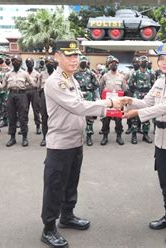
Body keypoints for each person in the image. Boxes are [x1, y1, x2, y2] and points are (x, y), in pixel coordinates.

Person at [40, 40, 122, 248]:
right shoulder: (55, 82)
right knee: (55, 186)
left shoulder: (71, 79)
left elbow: (80, 106)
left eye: (76, 55)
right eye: (68, 55)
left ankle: (67, 216)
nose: (74, 59)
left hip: (75, 141)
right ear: (57, 57)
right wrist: (108, 104)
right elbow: (77, 106)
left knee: (70, 182)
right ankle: (49, 228)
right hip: (60, 143)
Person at [121, 43, 166, 245]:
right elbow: (147, 102)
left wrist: (138, 113)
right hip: (161, 140)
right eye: (161, 58)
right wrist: (129, 100)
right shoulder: (160, 81)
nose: (164, 62)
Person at [3, 55, 32, 147]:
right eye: (14, 61)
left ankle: (24, 138)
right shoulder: (8, 74)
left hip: (22, 95)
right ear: (12, 62)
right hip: (11, 95)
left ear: (21, 63)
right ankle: (12, 138)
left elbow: (33, 84)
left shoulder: (25, 74)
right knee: (11, 117)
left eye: (18, 61)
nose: (16, 62)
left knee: (22, 116)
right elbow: (3, 85)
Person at [99, 56, 127, 145]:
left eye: (115, 63)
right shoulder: (105, 76)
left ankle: (119, 136)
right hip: (108, 102)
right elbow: (101, 87)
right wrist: (102, 99)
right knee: (106, 120)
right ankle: (105, 137)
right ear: (109, 65)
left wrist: (124, 103)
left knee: (118, 120)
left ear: (118, 65)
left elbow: (124, 89)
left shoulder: (122, 77)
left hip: (118, 102)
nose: (113, 65)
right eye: (112, 63)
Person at [73, 55, 100, 146]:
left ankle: (89, 136)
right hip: (78, 96)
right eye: (82, 62)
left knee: (89, 118)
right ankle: (78, 137)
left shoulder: (91, 74)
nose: (83, 63)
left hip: (89, 96)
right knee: (77, 118)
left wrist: (97, 97)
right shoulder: (74, 74)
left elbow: (96, 85)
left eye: (85, 62)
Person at [128, 55, 155, 144]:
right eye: (143, 61)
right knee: (135, 116)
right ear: (139, 63)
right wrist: (136, 92)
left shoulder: (151, 73)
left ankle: (145, 134)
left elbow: (153, 85)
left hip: (147, 95)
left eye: (146, 62)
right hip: (137, 94)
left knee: (147, 115)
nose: (144, 63)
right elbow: (130, 85)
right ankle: (134, 135)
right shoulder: (135, 73)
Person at [39, 56, 56, 147]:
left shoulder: (58, 74)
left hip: (55, 97)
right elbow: (38, 87)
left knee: (55, 118)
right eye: (47, 62)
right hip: (44, 96)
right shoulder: (41, 74)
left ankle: (55, 138)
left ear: (54, 64)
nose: (49, 64)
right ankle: (45, 137)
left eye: (51, 62)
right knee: (44, 117)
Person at [25, 57, 42, 135]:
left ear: (33, 64)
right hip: (25, 92)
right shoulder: (23, 73)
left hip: (34, 92)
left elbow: (39, 85)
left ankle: (38, 126)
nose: (30, 64)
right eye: (28, 63)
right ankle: (24, 127)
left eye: (31, 63)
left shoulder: (37, 74)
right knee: (24, 110)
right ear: (26, 64)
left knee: (36, 110)